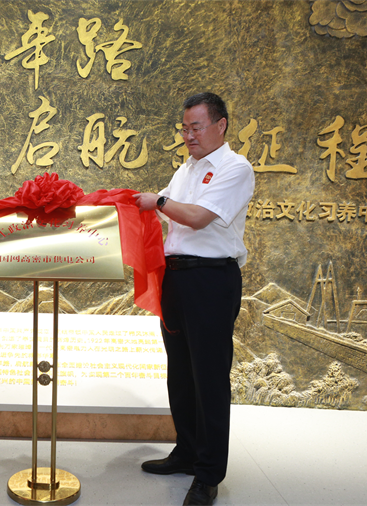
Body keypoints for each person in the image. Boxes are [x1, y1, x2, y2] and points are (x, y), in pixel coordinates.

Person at [134, 92, 255, 506]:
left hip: (211, 280)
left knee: (209, 377)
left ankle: (208, 474)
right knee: (181, 372)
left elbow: (198, 218)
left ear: (221, 125)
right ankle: (186, 451)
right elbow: (160, 211)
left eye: (196, 127)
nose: (189, 135)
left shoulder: (235, 168)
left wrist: (158, 201)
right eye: (185, 128)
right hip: (177, 278)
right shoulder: (186, 168)